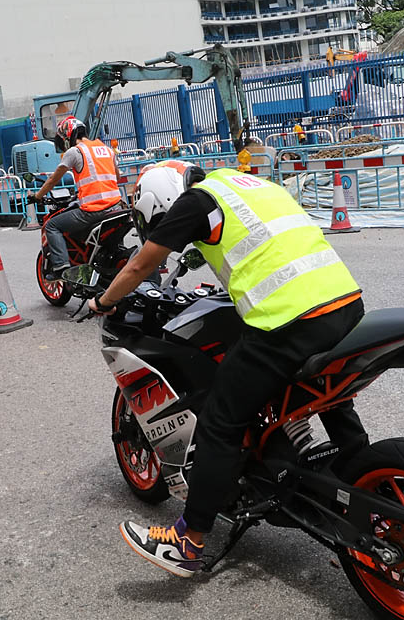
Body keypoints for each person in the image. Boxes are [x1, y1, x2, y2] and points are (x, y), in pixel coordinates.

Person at [88, 166, 367, 577]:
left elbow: (138, 267)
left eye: (155, 221)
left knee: (221, 420)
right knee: (330, 397)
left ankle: (188, 541)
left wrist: (103, 301)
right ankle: (363, 499)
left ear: (158, 201)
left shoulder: (197, 201)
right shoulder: (248, 185)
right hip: (345, 304)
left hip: (292, 319)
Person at [31, 116, 123, 280]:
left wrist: (37, 196)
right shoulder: (106, 149)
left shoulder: (76, 151)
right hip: (117, 208)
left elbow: (53, 179)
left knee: (52, 226)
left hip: (94, 211)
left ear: (67, 137)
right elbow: (116, 176)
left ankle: (61, 268)